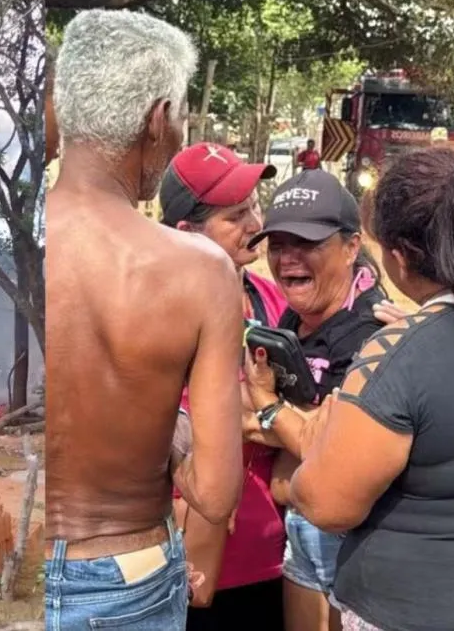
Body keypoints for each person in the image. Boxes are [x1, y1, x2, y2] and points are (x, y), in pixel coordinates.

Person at [289, 149, 454, 631]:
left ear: (401, 257)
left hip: (414, 609)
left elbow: (327, 503)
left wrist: (316, 433)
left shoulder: (400, 354)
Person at [46, 10, 245, 630]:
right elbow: (213, 495)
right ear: (158, 120)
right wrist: (173, 429)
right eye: (181, 117)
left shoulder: (10, 245)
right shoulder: (201, 271)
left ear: (58, 113)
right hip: (125, 573)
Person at [242, 170, 386, 631]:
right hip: (301, 532)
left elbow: (335, 453)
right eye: (278, 244)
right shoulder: (292, 318)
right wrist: (290, 427)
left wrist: (268, 410)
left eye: (307, 243)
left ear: (350, 246)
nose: (287, 259)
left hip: (355, 543)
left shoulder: (374, 331)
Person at [160, 142, 288, 629]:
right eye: (235, 215)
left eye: (255, 205)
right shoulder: (159, 319)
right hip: (201, 567)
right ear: (187, 232)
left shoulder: (272, 299)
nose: (256, 225)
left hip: (274, 557)